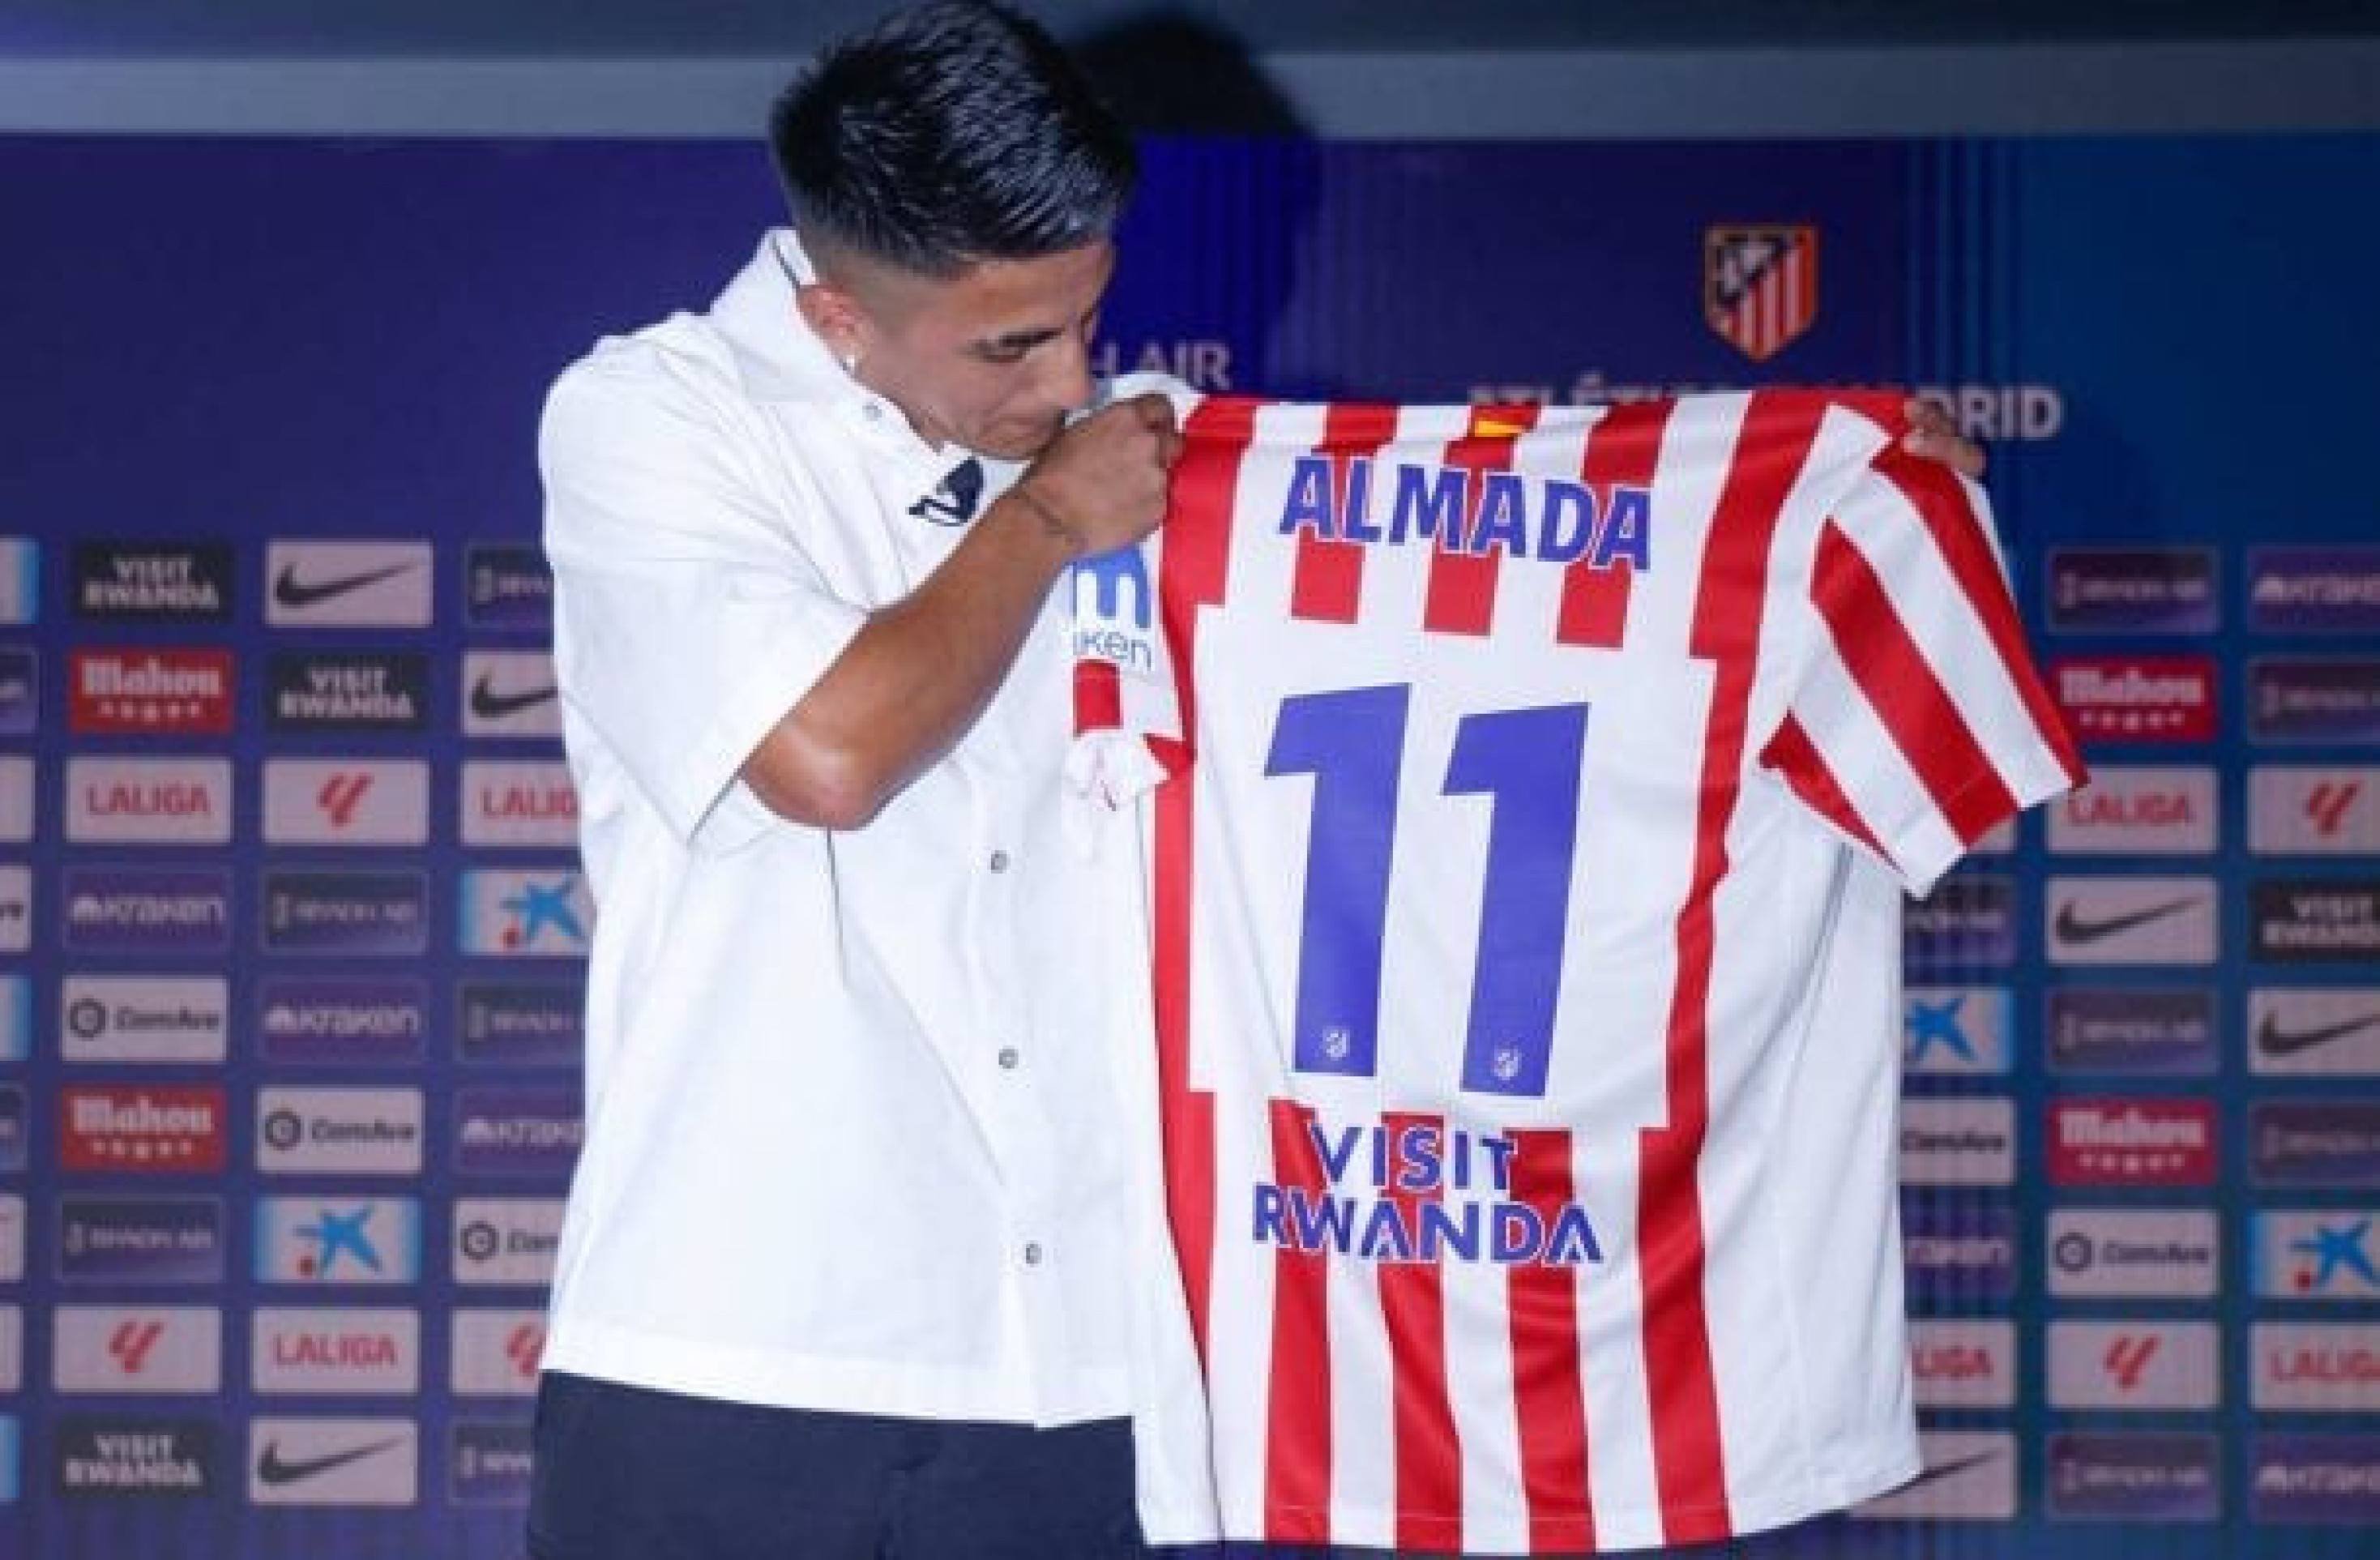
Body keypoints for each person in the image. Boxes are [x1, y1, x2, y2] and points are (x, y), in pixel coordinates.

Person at [524, 6, 1984, 1558]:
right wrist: (1043, 523)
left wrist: (1809, 477)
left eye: (1086, 319)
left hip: (1088, 1370)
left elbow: (1486, 523)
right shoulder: (654, 417)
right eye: (1011, 345)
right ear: (836, 316)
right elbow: (826, 753)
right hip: (725, 1351)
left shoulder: (1140, 448)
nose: (1066, 380)